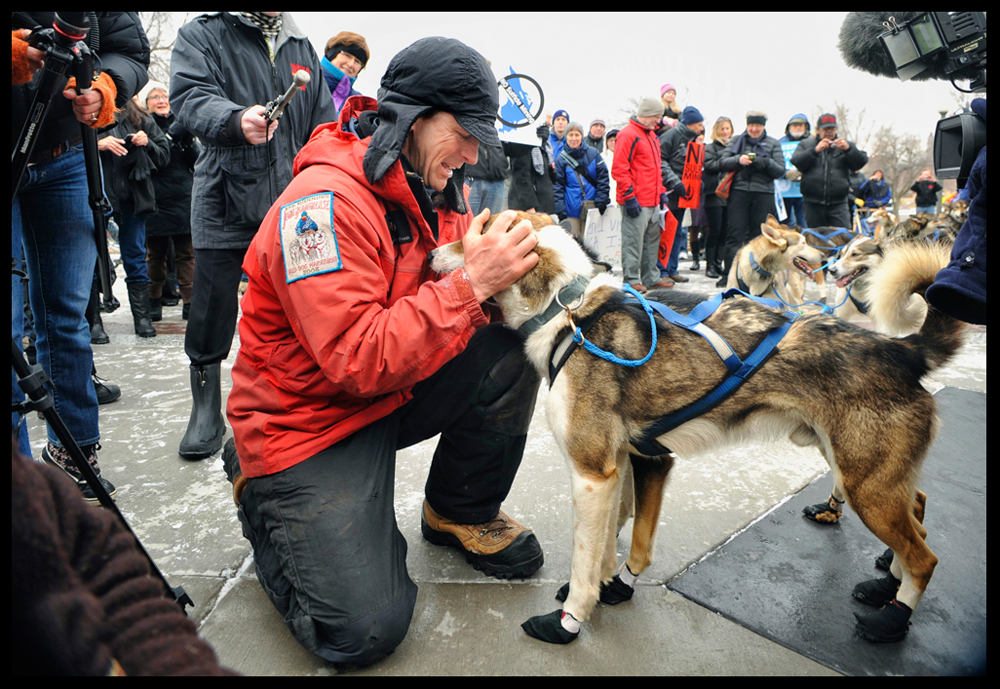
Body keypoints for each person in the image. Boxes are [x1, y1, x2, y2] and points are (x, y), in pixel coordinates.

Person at [222, 37, 545, 667]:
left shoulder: (436, 183)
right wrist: (473, 283)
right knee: (363, 631)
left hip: (385, 396)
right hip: (306, 424)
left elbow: (445, 312)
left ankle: (459, 508)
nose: (475, 153)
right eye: (465, 132)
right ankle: (261, 493)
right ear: (413, 118)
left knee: (512, 337)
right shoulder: (321, 206)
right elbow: (356, 358)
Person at [169, 12, 336, 460]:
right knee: (211, 304)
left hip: (294, 200)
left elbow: (323, 122)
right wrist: (234, 119)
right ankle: (205, 404)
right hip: (224, 194)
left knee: (306, 299)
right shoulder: (202, 34)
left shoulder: (300, 44)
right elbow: (188, 97)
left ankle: (297, 398)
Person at [12, 12, 150, 503]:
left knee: (66, 315)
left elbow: (129, 50)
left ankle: (73, 451)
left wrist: (105, 87)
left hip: (65, 154)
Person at [98, 96, 170, 337]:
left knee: (136, 256)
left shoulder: (141, 118)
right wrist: (99, 143)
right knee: (91, 256)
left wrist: (146, 142)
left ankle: (142, 318)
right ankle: (93, 321)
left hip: (133, 197)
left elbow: (163, 156)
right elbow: (69, 149)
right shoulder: (89, 112)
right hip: (98, 195)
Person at [140, 80, 199, 322]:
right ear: (146, 103)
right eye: (155, 97)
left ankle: (190, 303)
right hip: (155, 196)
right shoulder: (143, 126)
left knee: (186, 254)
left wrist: (187, 143)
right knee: (155, 255)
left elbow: (195, 162)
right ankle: (153, 302)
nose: (161, 100)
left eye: (164, 95)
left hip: (183, 195)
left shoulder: (181, 125)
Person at [613, 97, 671, 291]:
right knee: (633, 242)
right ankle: (630, 279)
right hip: (636, 200)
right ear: (647, 114)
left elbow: (656, 169)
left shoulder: (652, 136)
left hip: (652, 200)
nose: (659, 121)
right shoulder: (628, 134)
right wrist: (629, 196)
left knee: (651, 242)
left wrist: (661, 193)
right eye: (657, 116)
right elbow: (620, 169)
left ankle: (651, 277)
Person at [719, 111, 787, 272]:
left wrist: (766, 162)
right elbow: (722, 163)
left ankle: (756, 272)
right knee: (734, 235)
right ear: (747, 125)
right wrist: (738, 160)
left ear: (763, 126)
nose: (754, 129)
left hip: (764, 194)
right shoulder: (736, 141)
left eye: (757, 125)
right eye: (751, 125)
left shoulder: (773, 143)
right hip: (739, 192)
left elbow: (780, 171)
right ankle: (730, 273)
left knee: (758, 236)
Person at [791, 112, 869, 229]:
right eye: (826, 128)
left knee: (843, 237)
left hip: (839, 204)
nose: (829, 131)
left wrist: (849, 149)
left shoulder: (845, 146)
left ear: (836, 129)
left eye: (832, 128)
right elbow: (797, 161)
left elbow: (860, 163)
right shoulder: (806, 144)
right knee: (815, 239)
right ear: (818, 130)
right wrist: (815, 151)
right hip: (812, 204)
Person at [659, 105, 705, 281]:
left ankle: (672, 269)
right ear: (689, 124)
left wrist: (697, 184)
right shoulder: (671, 136)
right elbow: (660, 159)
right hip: (670, 191)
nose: (701, 128)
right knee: (667, 231)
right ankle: (662, 271)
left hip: (685, 195)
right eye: (698, 124)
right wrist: (674, 182)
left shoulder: (694, 140)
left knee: (678, 231)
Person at [554, 122, 611, 238]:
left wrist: (602, 199)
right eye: (570, 135)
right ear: (566, 137)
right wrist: (560, 209)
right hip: (571, 211)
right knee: (573, 246)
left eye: (577, 135)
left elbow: (603, 178)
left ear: (582, 136)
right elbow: (557, 187)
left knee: (591, 245)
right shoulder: (560, 159)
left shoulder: (593, 154)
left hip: (592, 208)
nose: (574, 138)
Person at [504, 122, 556, 215]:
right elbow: (520, 177)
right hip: (528, 208)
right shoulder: (521, 144)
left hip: (544, 204)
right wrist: (530, 207)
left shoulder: (545, 147)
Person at [704, 116, 732, 282]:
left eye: (727, 128)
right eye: (722, 129)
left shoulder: (735, 146)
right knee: (714, 231)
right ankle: (710, 265)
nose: (725, 131)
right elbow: (709, 165)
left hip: (729, 194)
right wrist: (727, 160)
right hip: (713, 193)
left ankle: (718, 263)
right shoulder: (710, 147)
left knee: (725, 232)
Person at [321, 30, 370, 116]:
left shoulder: (358, 104)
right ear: (333, 54)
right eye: (347, 55)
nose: (351, 64)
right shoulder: (306, 80)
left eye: (357, 61)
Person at [777, 113, 811, 227]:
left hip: (806, 193)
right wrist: (785, 173)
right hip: (783, 193)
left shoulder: (813, 143)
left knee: (804, 225)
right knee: (783, 226)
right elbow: (773, 164)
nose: (797, 128)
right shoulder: (779, 143)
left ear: (806, 127)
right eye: (794, 125)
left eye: (800, 125)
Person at [465, 140, 510, 216]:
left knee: (491, 225)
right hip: (469, 179)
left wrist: (532, 138)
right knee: (465, 224)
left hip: (497, 181)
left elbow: (514, 150)